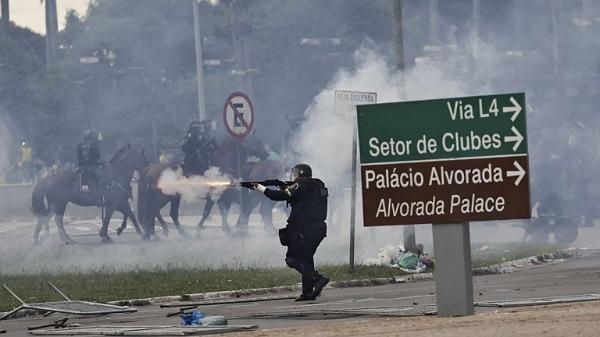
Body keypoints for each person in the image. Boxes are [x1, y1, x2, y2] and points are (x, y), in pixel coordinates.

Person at [249, 164, 330, 301]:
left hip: (306, 229)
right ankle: (307, 293)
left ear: (301, 174)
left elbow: (281, 196)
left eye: (296, 173)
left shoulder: (302, 186)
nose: (294, 176)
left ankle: (318, 279)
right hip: (318, 228)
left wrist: (263, 189)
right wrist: (285, 187)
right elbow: (297, 198)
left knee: (293, 259)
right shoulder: (315, 185)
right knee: (306, 259)